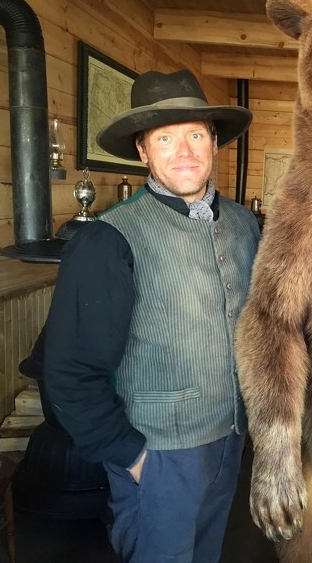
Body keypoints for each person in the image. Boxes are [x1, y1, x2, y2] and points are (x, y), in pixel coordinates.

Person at [42, 69, 259, 562]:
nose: (184, 151)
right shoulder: (109, 239)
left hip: (229, 440)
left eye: (195, 135)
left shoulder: (246, 225)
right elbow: (70, 372)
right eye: (165, 138)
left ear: (214, 143)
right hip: (158, 452)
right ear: (143, 151)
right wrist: (131, 456)